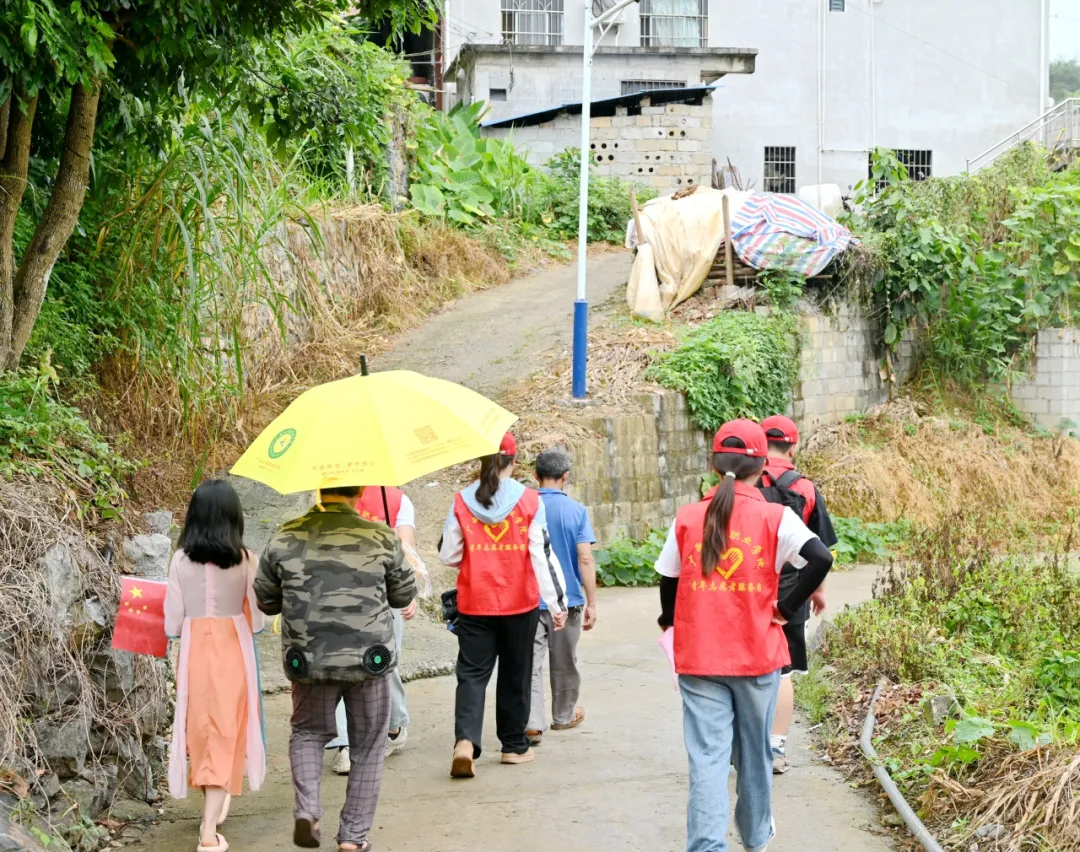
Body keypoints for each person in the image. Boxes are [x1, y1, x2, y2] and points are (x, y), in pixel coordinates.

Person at [655, 420, 833, 852]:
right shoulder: (776, 517)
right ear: (762, 466)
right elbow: (820, 558)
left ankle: (706, 846)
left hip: (699, 657)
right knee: (755, 753)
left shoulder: (688, 517)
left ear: (714, 465)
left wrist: (668, 620)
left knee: (708, 758)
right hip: (757, 655)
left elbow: (669, 578)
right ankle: (755, 837)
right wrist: (786, 608)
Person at [255, 486, 416, 852]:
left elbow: (266, 600)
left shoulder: (285, 536)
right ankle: (353, 837)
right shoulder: (380, 536)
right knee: (369, 743)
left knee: (308, 732)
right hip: (368, 659)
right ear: (359, 491)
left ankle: (308, 812)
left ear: (320, 489)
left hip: (309, 658)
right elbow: (403, 595)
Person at [439, 432, 568, 778]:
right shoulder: (530, 500)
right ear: (515, 460)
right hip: (519, 603)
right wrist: (557, 604)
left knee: (471, 675)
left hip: (475, 602)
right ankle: (513, 746)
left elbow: (448, 554)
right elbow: (541, 555)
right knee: (516, 673)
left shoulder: (462, 500)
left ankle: (465, 742)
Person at [164, 480, 265, 852]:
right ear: (233, 516)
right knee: (226, 728)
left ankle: (215, 801)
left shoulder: (180, 559)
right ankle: (208, 832)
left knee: (202, 729)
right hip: (233, 650)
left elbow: (172, 621)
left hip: (194, 651)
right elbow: (257, 619)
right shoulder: (246, 559)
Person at [759, 414, 838, 775]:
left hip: (746, 589)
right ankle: (775, 748)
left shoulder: (746, 481)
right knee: (783, 671)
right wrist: (817, 590)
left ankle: (744, 744)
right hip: (792, 592)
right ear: (793, 446)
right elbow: (819, 548)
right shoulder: (805, 488)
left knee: (743, 670)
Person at [325, 486, 419, 774]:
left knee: (340, 662)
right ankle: (384, 731)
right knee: (384, 661)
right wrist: (408, 592)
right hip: (383, 592)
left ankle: (351, 744)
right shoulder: (397, 499)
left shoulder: (328, 495)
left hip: (339, 590)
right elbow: (406, 551)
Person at [526, 449, 597, 745]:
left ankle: (532, 723)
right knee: (565, 661)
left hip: (529, 600)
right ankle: (563, 716)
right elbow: (585, 558)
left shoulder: (524, 506)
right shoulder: (576, 511)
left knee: (530, 663)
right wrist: (592, 602)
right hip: (568, 601)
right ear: (565, 477)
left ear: (535, 475)